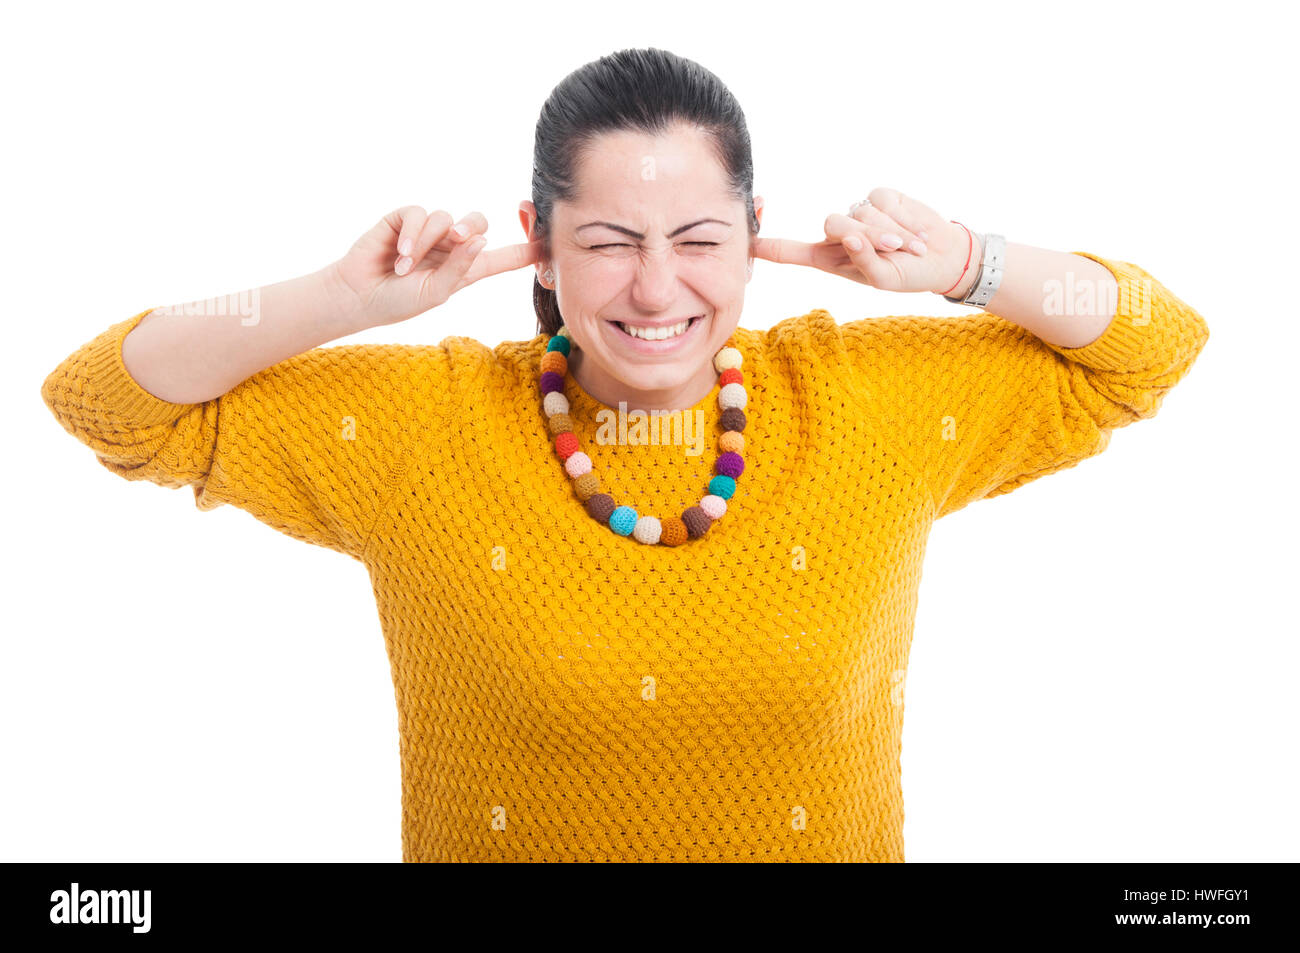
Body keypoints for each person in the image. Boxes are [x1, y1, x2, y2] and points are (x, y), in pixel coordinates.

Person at [39, 47, 1209, 862]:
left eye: (700, 239)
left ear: (756, 238)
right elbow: (105, 397)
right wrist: (343, 294)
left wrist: (964, 261)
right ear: (538, 243)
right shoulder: (423, 425)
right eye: (607, 241)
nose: (657, 288)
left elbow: (1152, 346)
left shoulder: (862, 399)